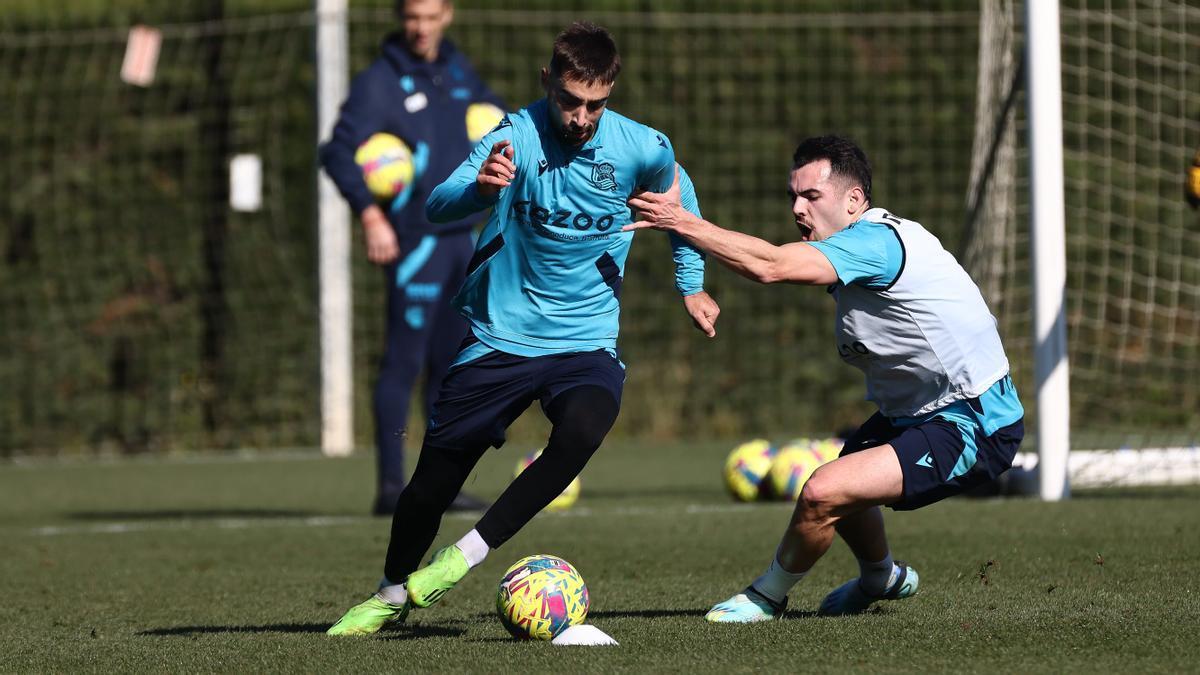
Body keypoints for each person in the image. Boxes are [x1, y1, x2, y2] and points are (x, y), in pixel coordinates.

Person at [326, 21, 720, 636]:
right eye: (569, 101)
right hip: (499, 336)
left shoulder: (642, 147)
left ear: (611, 90)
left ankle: (459, 561)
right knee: (429, 487)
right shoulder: (512, 135)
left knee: (586, 426)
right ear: (547, 82)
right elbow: (438, 203)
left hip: (585, 339)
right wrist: (479, 189)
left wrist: (690, 283)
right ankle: (391, 589)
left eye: (595, 104)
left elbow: (679, 200)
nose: (581, 117)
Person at [626, 135, 1024, 622]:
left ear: (855, 200)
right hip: (913, 414)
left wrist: (679, 220)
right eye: (793, 196)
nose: (797, 208)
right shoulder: (855, 251)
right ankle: (882, 578)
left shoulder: (874, 244)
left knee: (822, 491)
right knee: (848, 483)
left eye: (811, 196)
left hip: (972, 421)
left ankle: (767, 597)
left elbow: (770, 266)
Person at [319, 0, 504, 516]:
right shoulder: (379, 81)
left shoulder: (458, 71)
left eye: (430, 17)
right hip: (415, 244)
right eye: (411, 18)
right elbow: (336, 151)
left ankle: (439, 484)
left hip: (462, 241)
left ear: (448, 14)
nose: (420, 28)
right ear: (401, 19)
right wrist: (371, 215)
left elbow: (507, 124)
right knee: (404, 362)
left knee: (452, 367)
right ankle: (390, 487)